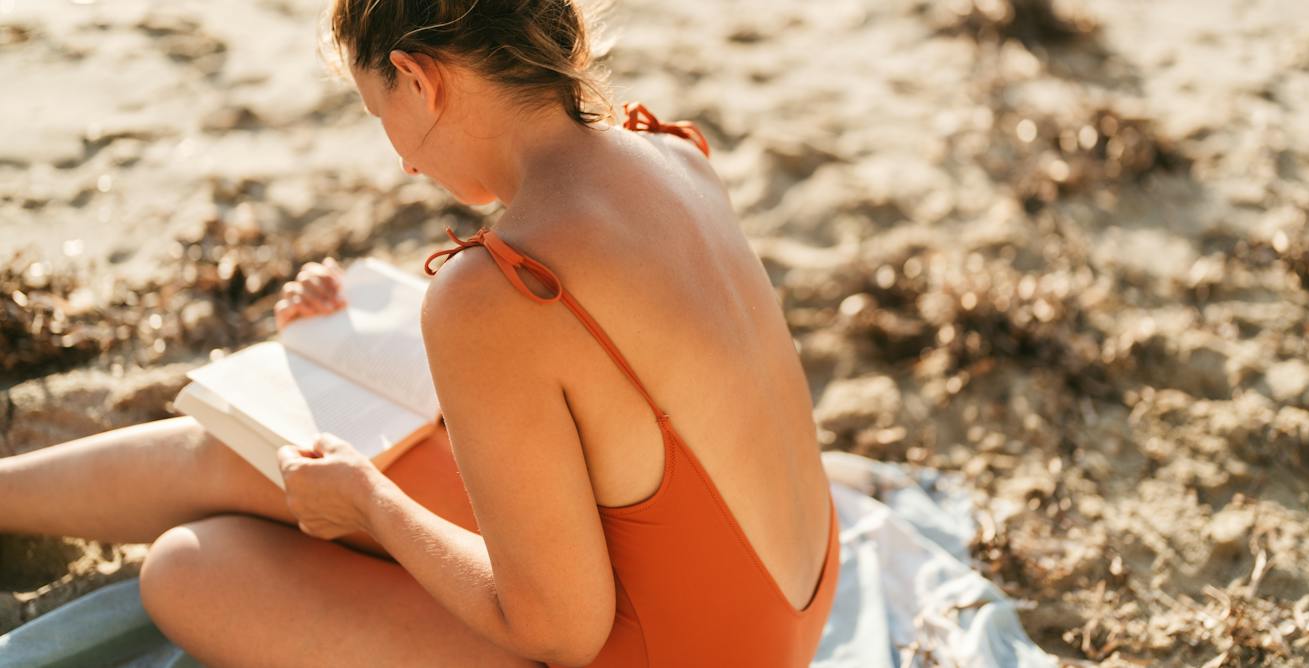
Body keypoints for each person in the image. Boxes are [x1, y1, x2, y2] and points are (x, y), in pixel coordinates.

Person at [0, 1, 839, 665]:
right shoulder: (673, 153)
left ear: (417, 76)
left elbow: (559, 633)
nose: (401, 158)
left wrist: (371, 504)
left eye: (379, 111)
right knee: (261, 447)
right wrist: (361, 327)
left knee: (193, 570)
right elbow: (614, 362)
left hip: (664, 653)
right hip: (773, 611)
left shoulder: (496, 290)